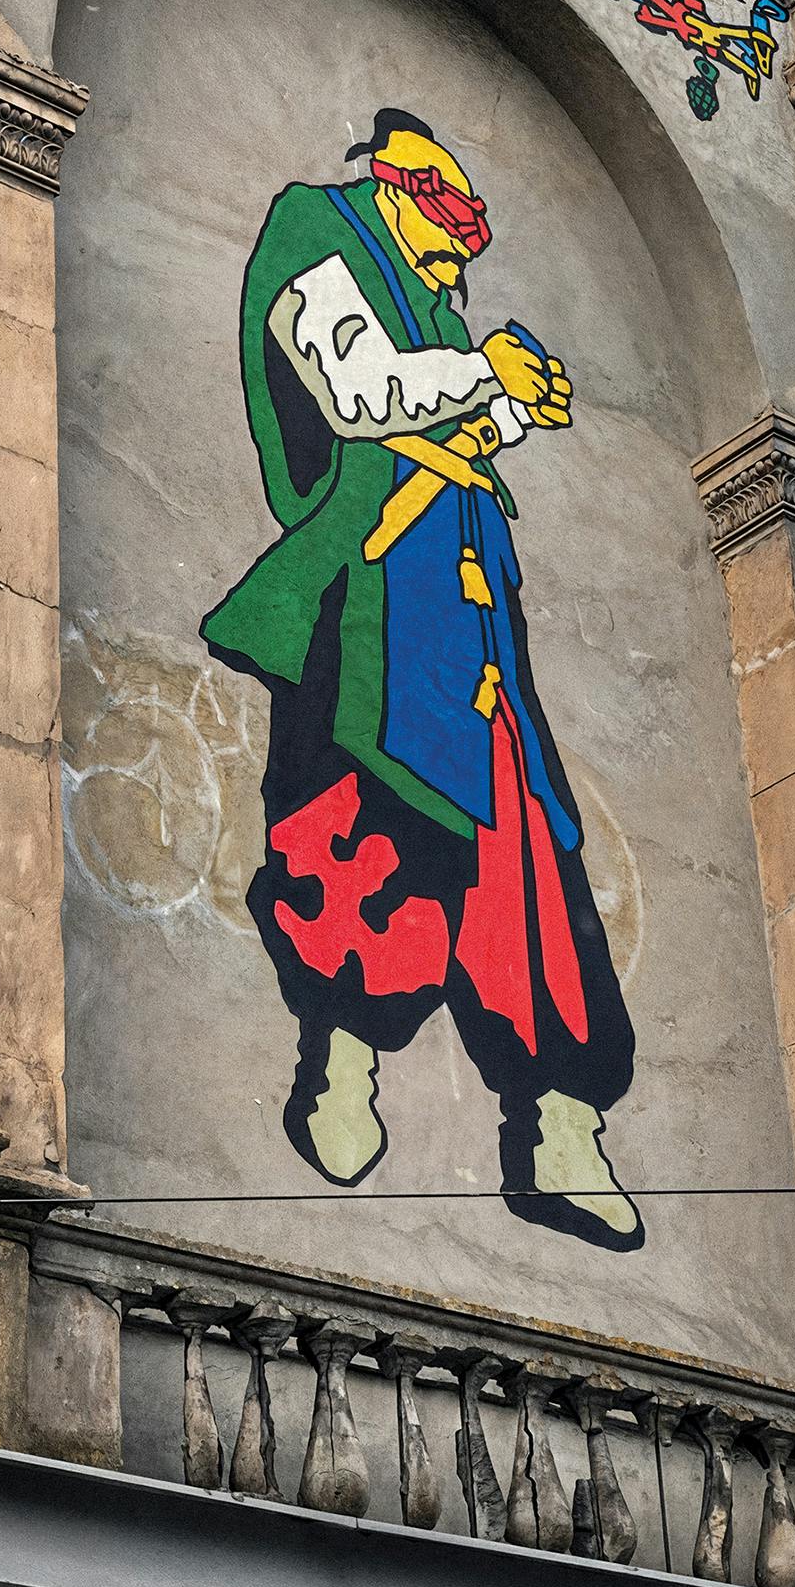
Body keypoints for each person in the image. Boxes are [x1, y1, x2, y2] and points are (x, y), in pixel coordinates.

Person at [202, 110, 641, 1251]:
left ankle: (562, 1130)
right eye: (450, 214)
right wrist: (482, 374)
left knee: (528, 868)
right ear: (395, 189)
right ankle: (342, 1068)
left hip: (471, 620)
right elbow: (357, 393)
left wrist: (508, 403)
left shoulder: (434, 301)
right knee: (360, 837)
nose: (464, 241)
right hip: (369, 598)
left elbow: (440, 413)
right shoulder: (316, 233)